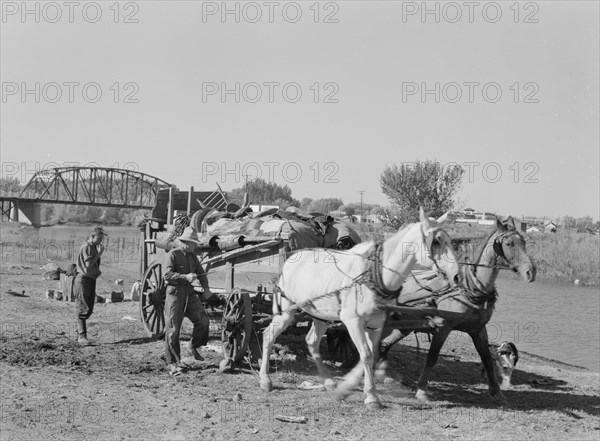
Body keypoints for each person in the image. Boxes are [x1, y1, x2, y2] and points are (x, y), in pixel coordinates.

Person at [164, 227, 213, 375]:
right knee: (173, 330)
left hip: (189, 293)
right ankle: (172, 363)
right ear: (185, 242)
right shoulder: (174, 254)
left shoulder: (192, 256)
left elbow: (201, 273)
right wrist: (184, 277)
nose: (194, 246)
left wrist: (206, 289)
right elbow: (167, 275)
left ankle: (193, 345)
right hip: (175, 294)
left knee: (203, 319)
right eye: (193, 244)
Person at [75, 225, 107, 345]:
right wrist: (99, 254)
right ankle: (81, 336)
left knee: (89, 309)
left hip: (90, 279)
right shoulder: (87, 248)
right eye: (98, 239)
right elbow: (88, 264)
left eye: (101, 239)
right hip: (83, 280)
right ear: (92, 236)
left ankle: (79, 331)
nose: (100, 242)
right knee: (83, 308)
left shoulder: (93, 246)